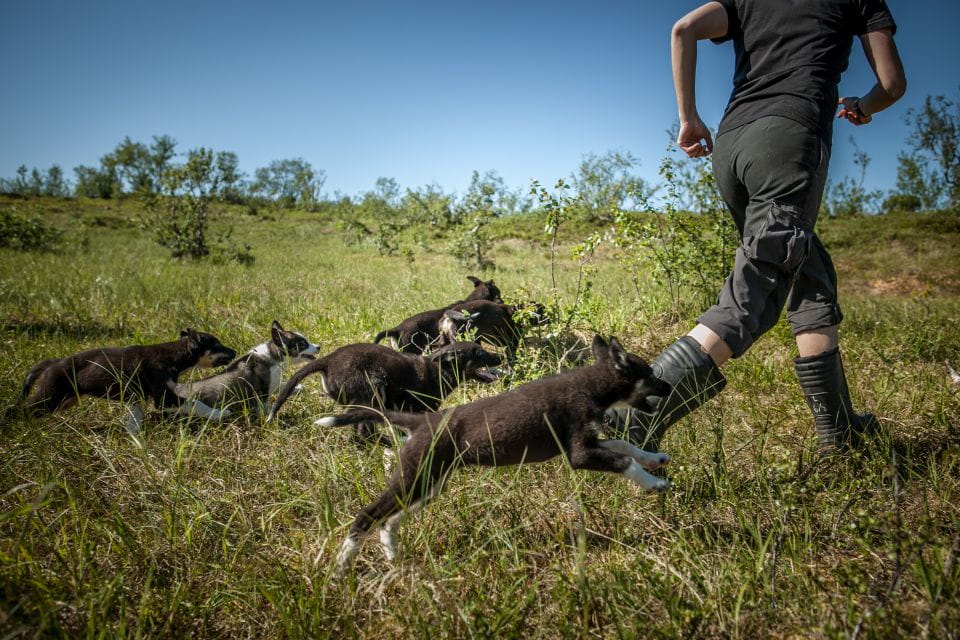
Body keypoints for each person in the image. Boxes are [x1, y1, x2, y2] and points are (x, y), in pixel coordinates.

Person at [612, 0, 906, 454]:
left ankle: (840, 432)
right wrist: (863, 107)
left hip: (732, 145)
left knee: (807, 269)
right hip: (789, 135)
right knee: (758, 284)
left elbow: (684, 29)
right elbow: (891, 83)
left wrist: (688, 118)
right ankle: (641, 410)